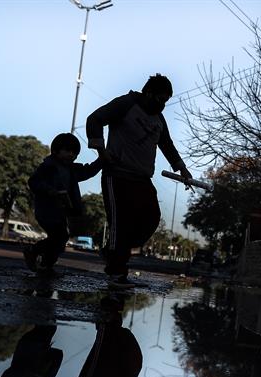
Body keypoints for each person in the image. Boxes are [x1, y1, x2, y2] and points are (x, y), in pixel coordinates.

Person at [86, 73, 193, 289]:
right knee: (120, 224)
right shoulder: (126, 104)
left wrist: (182, 169)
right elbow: (95, 119)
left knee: (151, 217)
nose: (161, 105)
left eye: (166, 101)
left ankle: (114, 251)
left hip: (142, 178)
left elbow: (167, 145)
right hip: (117, 175)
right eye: (159, 99)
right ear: (148, 93)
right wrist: (101, 151)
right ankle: (116, 272)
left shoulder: (158, 119)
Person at [24, 133, 102, 274]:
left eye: (75, 153)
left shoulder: (72, 170)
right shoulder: (48, 167)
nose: (71, 155)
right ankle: (34, 251)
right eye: (68, 151)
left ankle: (46, 265)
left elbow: (87, 170)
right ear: (55, 150)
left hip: (60, 212)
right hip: (46, 210)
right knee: (58, 237)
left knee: (60, 239)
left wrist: (101, 161)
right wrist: (50, 191)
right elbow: (34, 182)